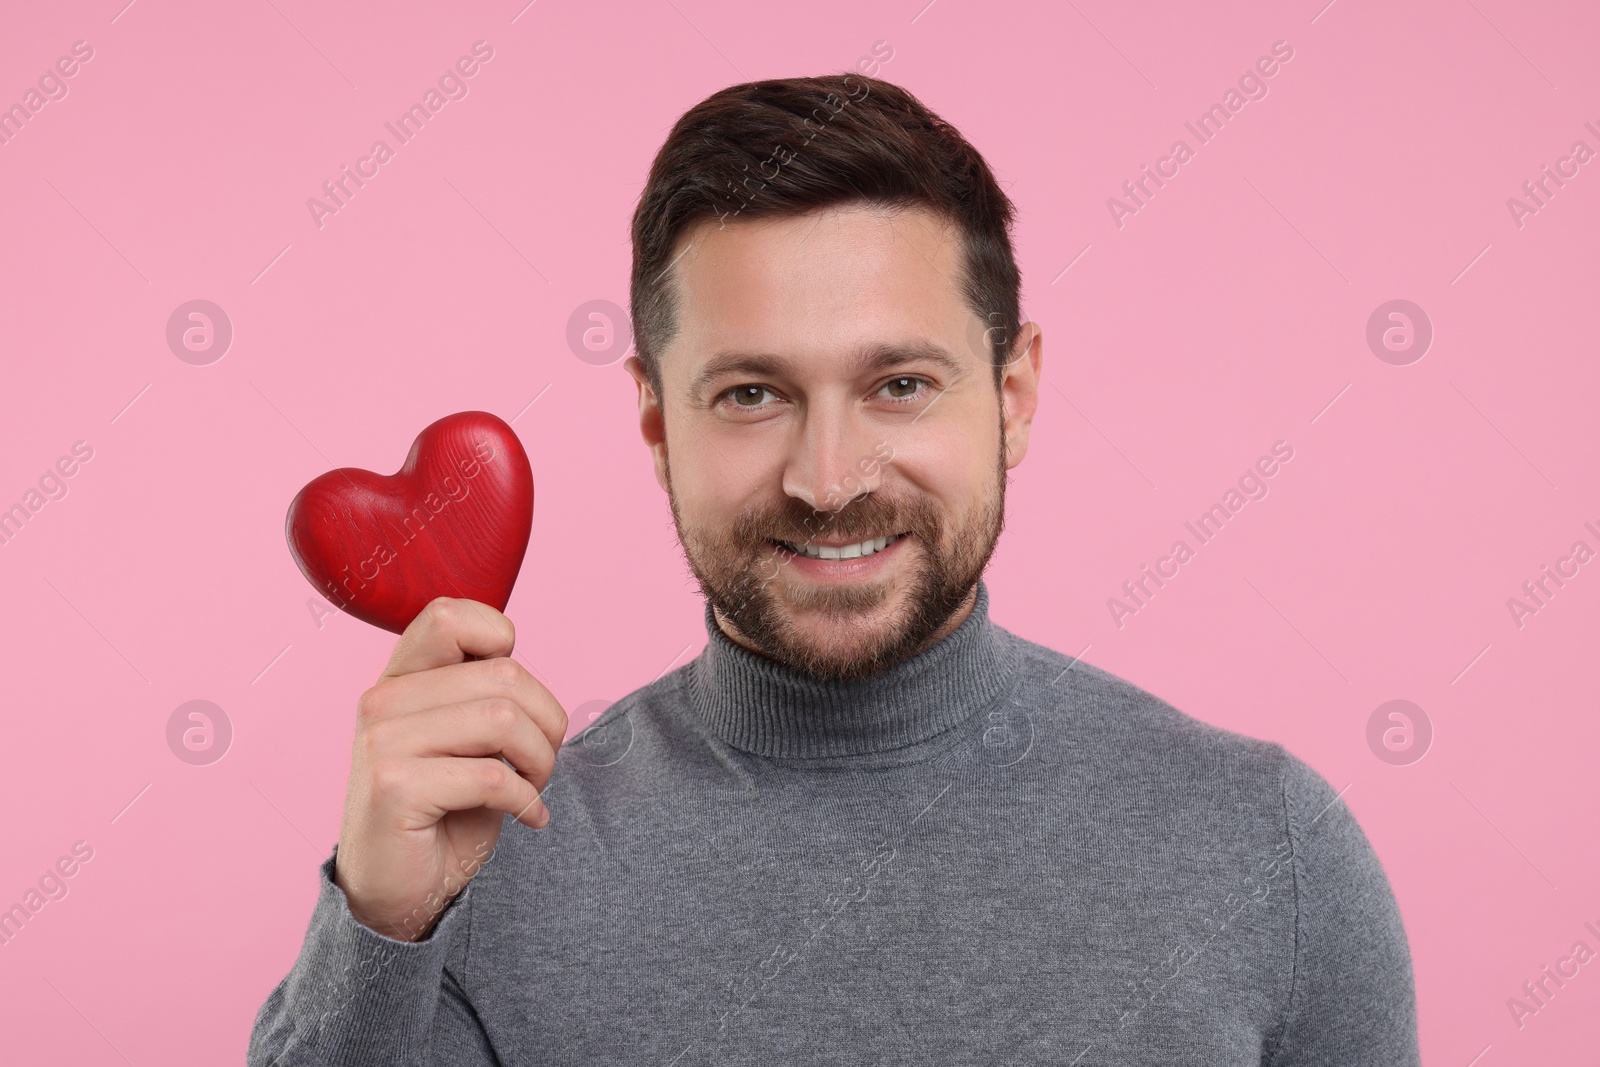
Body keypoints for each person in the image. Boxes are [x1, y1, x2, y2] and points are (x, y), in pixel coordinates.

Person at [248, 73, 1419, 1065]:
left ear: (1011, 397)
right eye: (751, 393)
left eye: (898, 384)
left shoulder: (1269, 847)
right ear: (657, 423)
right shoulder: (481, 867)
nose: (827, 475)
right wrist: (380, 923)